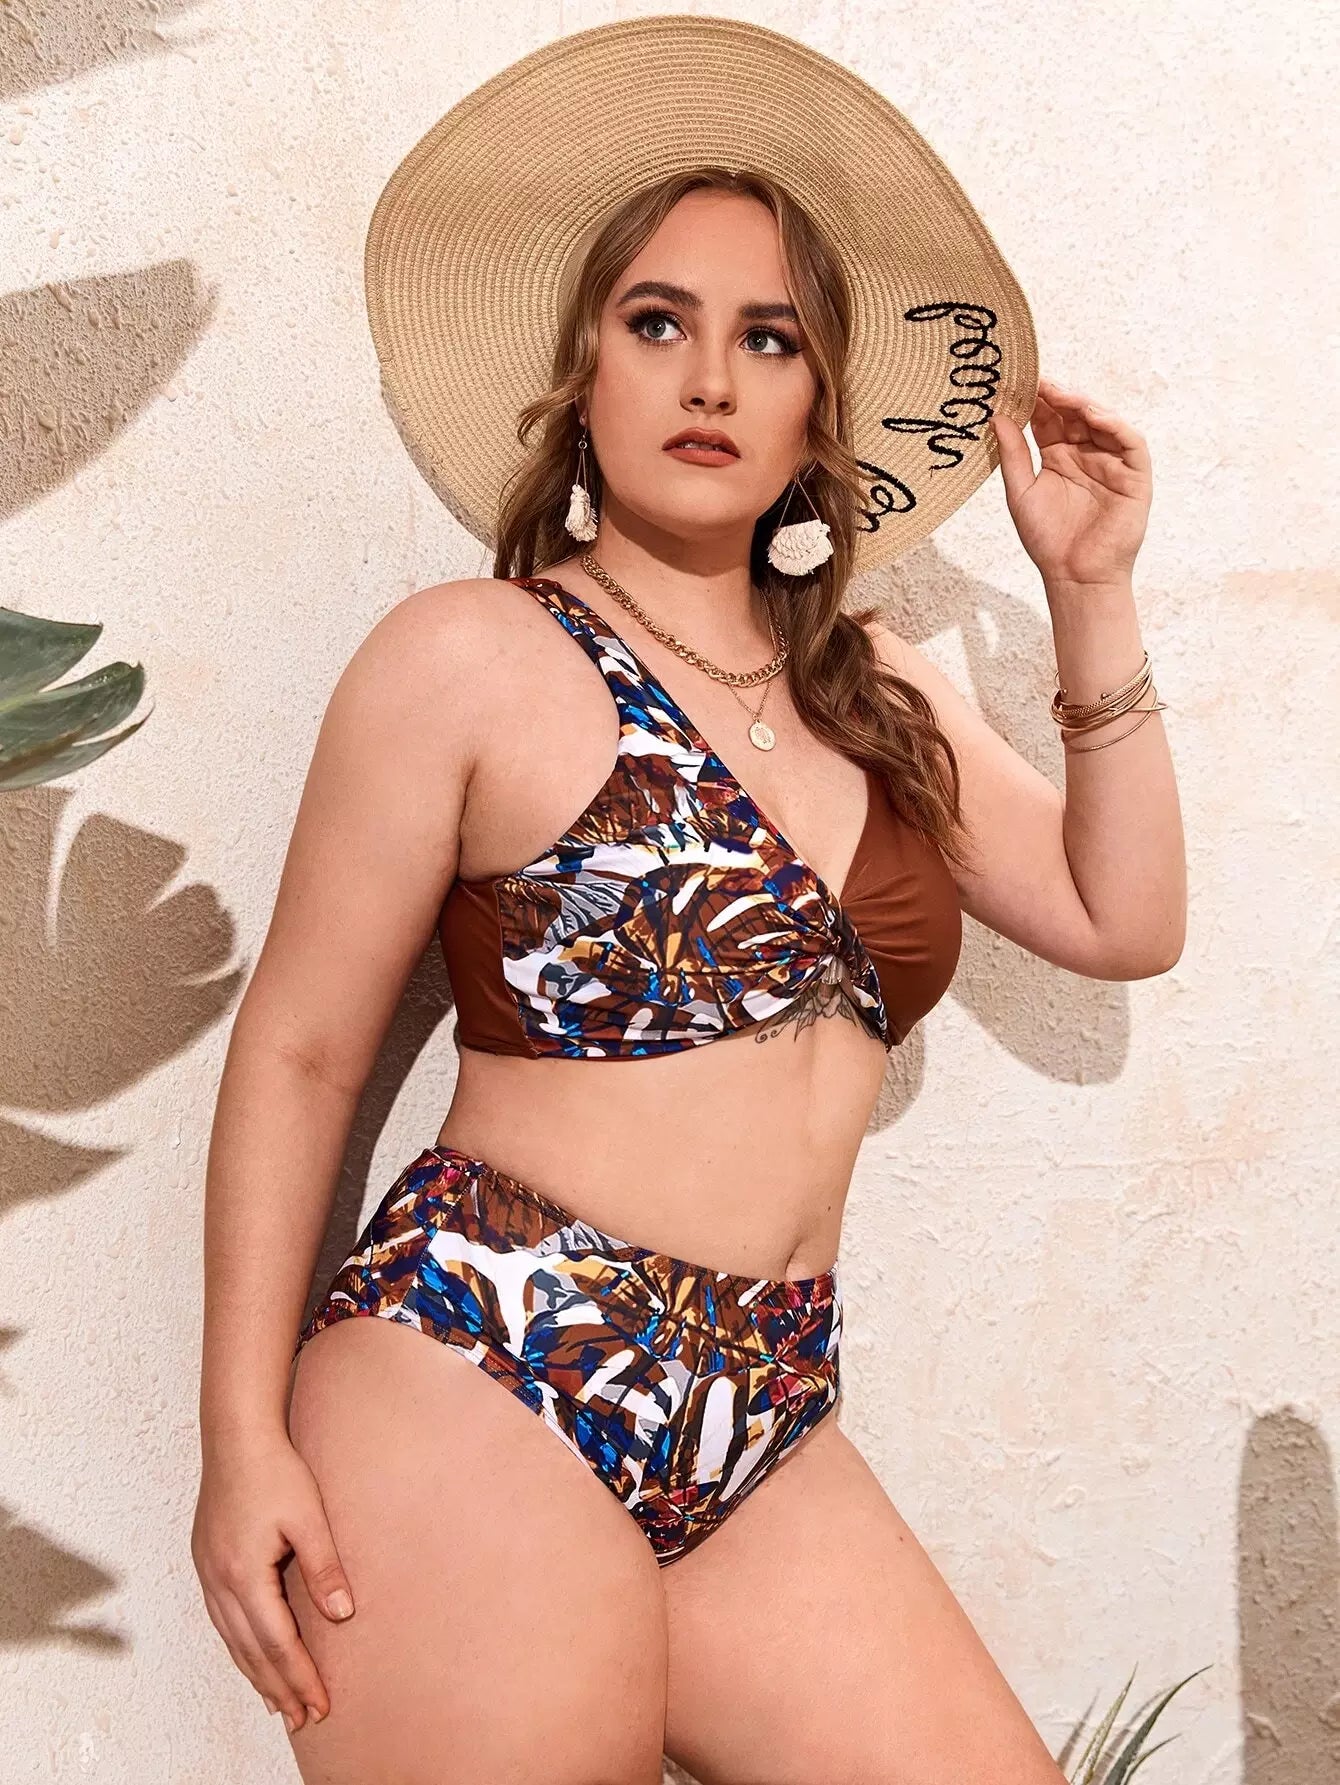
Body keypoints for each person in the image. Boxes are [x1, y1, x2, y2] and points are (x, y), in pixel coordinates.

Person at [191, 18, 1184, 1784]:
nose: (711, 379)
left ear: (816, 410)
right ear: (584, 376)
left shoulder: (878, 689)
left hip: (766, 1407)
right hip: (485, 1363)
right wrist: (237, 1437)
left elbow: (1125, 916)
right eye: (659, 324)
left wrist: (1091, 592)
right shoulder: (471, 657)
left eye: (768, 339)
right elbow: (301, 1053)